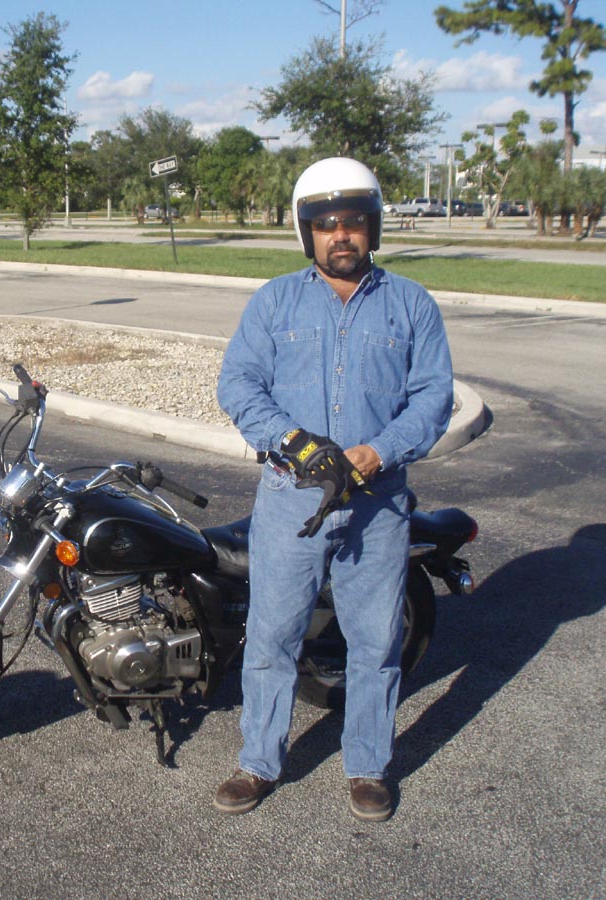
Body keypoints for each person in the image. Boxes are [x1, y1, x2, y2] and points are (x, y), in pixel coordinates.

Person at [214, 157, 453, 820]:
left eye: (353, 222)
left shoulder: (412, 304)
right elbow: (239, 383)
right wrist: (295, 443)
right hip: (291, 499)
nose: (340, 235)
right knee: (272, 635)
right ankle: (258, 762)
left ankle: (368, 767)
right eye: (325, 224)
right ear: (307, 232)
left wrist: (377, 453)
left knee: (374, 642)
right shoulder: (274, 302)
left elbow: (433, 396)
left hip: (378, 504)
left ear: (372, 227)